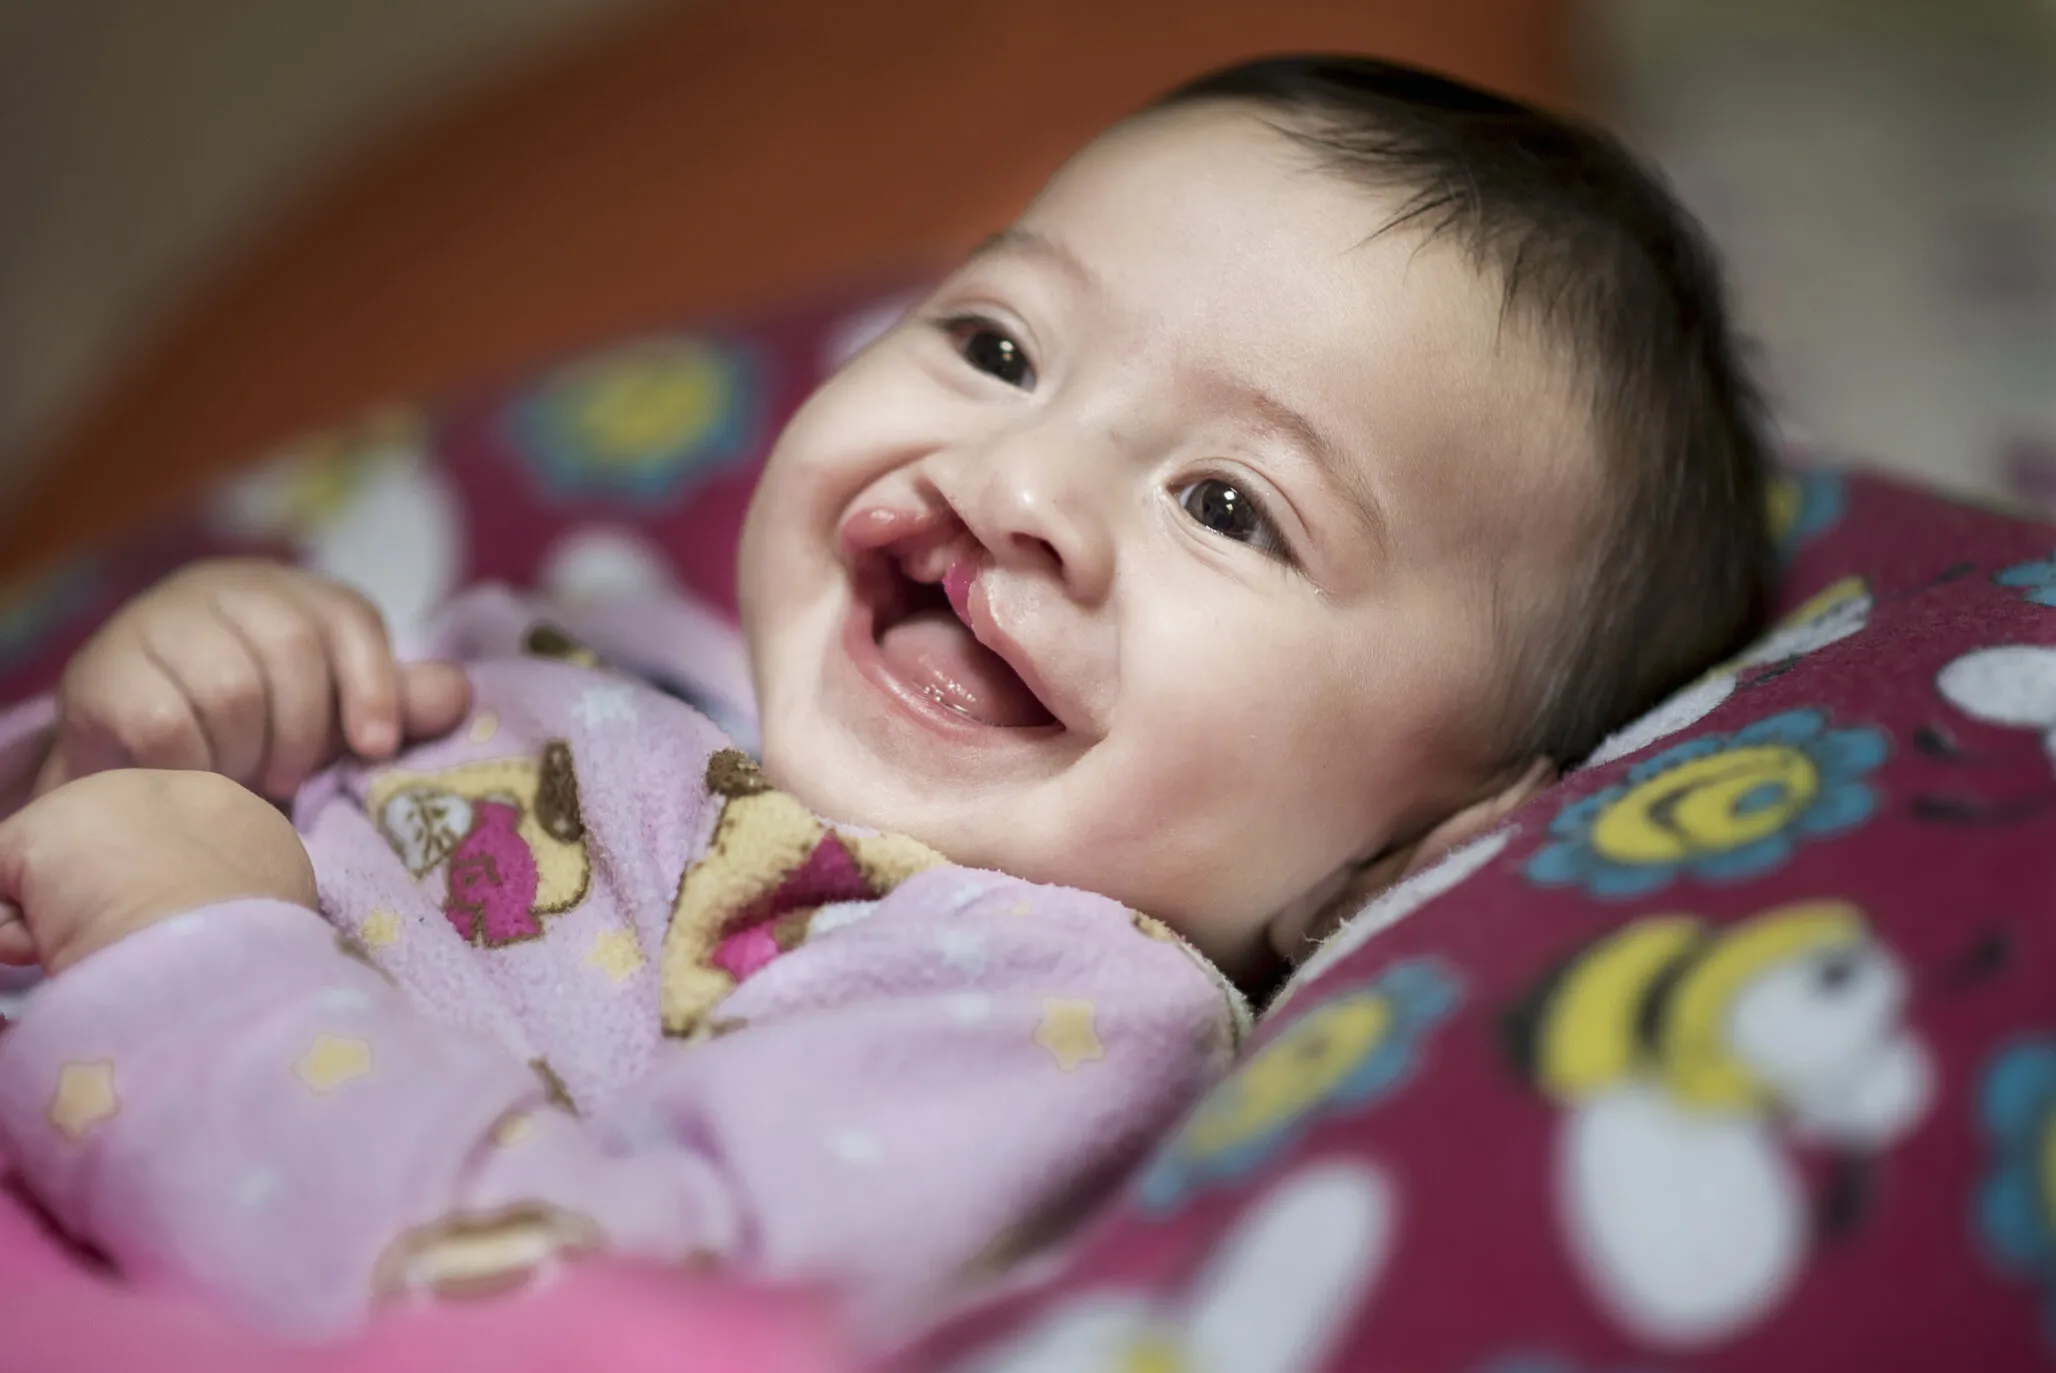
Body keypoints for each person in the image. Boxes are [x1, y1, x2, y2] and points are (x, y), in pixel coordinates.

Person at [0, 55, 1773, 1339]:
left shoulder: (1036, 1010)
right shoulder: (606, 643)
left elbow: (575, 1310)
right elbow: (98, 845)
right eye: (1000, 348)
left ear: (1416, 847)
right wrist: (168, 715)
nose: (1021, 481)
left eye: (1232, 508)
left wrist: (196, 957)